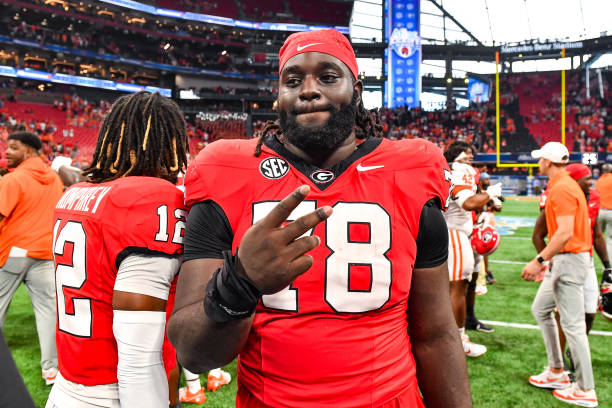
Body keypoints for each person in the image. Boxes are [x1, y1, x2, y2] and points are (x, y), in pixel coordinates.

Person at [168, 29, 472, 407]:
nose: (308, 89)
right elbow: (195, 355)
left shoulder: (411, 168)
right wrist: (240, 283)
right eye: (292, 80)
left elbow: (435, 334)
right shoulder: (224, 169)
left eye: (328, 77)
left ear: (356, 89)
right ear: (278, 96)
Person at [46, 91, 189, 408]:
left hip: (67, 384)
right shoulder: (150, 197)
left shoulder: (74, 194)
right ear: (166, 143)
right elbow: (139, 358)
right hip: (115, 394)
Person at [523, 143, 597, 407]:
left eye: (540, 159)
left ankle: (585, 389)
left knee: (574, 327)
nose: (538, 163)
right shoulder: (563, 184)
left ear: (547, 161)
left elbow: (564, 232)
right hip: (565, 259)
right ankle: (557, 371)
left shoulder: (562, 187)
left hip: (569, 259)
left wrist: (539, 259)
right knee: (541, 309)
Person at [532, 162, 610, 371]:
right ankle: (559, 365)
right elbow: (538, 235)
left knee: (589, 313)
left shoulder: (592, 197)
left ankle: (574, 354)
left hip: (585, 261)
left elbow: (596, 234)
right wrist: (547, 261)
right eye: (587, 178)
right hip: (564, 261)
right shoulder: (558, 194)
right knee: (562, 314)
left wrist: (608, 266)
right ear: (574, 180)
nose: (591, 182)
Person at [0, 131, 63, 385]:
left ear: (28, 151)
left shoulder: (14, 180)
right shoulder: (55, 178)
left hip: (13, 252)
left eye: (13, 148)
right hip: (46, 252)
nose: (6, 152)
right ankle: (51, 371)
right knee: (49, 314)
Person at [443, 142, 502, 352]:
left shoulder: (447, 168)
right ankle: (458, 341)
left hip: (446, 232)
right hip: (454, 234)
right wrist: (490, 193)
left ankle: (449, 336)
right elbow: (467, 203)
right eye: (467, 153)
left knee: (450, 289)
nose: (471, 157)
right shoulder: (462, 170)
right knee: (458, 288)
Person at [595, 163, 612, 260]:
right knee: (610, 240)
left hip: (600, 211)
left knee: (596, 237)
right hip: (611, 212)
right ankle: (607, 266)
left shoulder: (599, 181)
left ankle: (590, 261)